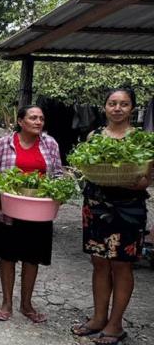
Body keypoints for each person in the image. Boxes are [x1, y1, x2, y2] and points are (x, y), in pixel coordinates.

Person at [71, 88, 151, 344]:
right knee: (99, 262)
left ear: (132, 109)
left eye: (124, 104)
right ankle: (98, 318)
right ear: (105, 107)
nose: (117, 108)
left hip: (128, 207)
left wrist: (142, 182)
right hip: (96, 205)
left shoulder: (141, 139)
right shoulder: (94, 137)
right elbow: (83, 166)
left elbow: (148, 177)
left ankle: (115, 325)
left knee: (122, 265)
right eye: (113, 103)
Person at [0, 105, 63, 323]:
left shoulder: (50, 144)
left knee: (32, 258)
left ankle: (26, 304)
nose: (38, 122)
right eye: (33, 118)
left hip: (38, 210)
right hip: (10, 209)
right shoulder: (4, 143)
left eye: (41, 118)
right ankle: (7, 302)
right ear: (20, 121)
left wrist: (57, 192)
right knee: (7, 256)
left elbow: (58, 173)